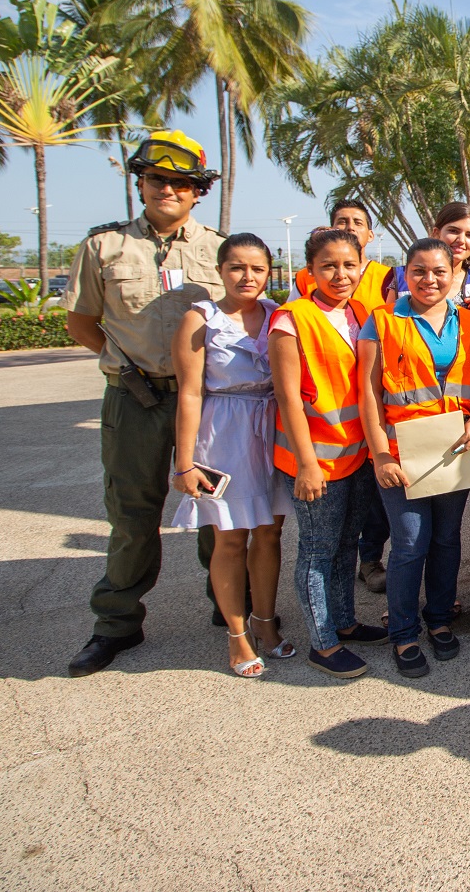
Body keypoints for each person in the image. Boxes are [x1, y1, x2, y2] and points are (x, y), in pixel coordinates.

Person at [62, 129, 227, 678]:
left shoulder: (218, 249)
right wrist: (124, 361)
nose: (168, 191)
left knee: (217, 510)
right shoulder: (104, 247)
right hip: (134, 400)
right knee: (132, 516)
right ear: (140, 183)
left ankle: (229, 608)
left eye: (182, 183)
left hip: (205, 403)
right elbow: (82, 322)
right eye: (157, 179)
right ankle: (116, 624)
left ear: (198, 191)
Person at [357, 238, 470, 678]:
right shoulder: (382, 322)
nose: (430, 280)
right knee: (410, 542)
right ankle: (404, 632)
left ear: (454, 274)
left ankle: (439, 619)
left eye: (439, 272)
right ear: (404, 274)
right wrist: (380, 455)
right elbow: (369, 396)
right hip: (401, 453)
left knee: (448, 539)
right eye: (419, 271)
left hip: (453, 449)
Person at [171, 233, 295, 677]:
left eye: (257, 269)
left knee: (269, 533)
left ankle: (265, 621)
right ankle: (237, 635)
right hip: (222, 432)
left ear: (269, 272)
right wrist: (184, 462)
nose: (248, 276)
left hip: (271, 428)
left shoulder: (278, 315)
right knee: (228, 537)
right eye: (237, 267)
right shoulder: (200, 319)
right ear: (221, 271)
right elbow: (188, 393)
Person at [268, 229, 389, 680]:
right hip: (316, 459)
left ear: (363, 266)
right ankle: (323, 643)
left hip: (356, 453)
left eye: (349, 265)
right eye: (328, 266)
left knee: (345, 546)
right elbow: (288, 398)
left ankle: (344, 621)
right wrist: (305, 464)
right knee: (317, 551)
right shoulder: (290, 318)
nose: (340, 274)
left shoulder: (360, 311)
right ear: (310, 270)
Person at [291, 199, 397, 321]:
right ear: (331, 230)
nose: (350, 227)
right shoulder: (306, 277)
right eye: (342, 222)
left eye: (358, 223)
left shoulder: (390, 278)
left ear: (370, 235)